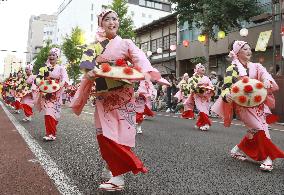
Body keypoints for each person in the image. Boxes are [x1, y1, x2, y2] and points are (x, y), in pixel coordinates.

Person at [70, 9, 160, 191]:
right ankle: (115, 169)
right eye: (108, 19)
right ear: (101, 24)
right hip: (104, 95)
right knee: (104, 134)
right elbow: (85, 63)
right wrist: (90, 70)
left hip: (124, 94)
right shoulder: (94, 45)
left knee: (122, 133)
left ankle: (117, 175)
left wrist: (146, 74)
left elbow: (139, 59)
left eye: (115, 19)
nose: (112, 22)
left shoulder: (126, 43)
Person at [211, 40, 284, 171]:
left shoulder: (256, 66)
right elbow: (227, 86)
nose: (249, 51)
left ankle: (236, 150)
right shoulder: (232, 68)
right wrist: (226, 95)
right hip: (242, 107)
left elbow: (265, 75)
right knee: (259, 129)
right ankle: (268, 158)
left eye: (249, 48)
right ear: (238, 52)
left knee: (255, 130)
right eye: (245, 49)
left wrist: (267, 80)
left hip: (258, 105)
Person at [34, 48, 69, 141]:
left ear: (57, 57)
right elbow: (38, 79)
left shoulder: (61, 68)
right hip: (46, 93)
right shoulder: (44, 68)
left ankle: (52, 129)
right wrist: (39, 82)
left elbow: (65, 79)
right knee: (48, 113)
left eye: (53, 55)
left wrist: (59, 85)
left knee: (55, 115)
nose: (51, 56)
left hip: (56, 94)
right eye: (50, 55)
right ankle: (50, 134)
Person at [182, 64, 215, 130]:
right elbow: (192, 88)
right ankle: (206, 124)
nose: (203, 68)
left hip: (206, 96)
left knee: (205, 110)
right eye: (201, 67)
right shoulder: (192, 78)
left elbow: (211, 86)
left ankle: (199, 124)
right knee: (202, 110)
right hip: (198, 96)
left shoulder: (206, 78)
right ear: (197, 69)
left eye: (203, 67)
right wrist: (197, 86)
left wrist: (209, 89)